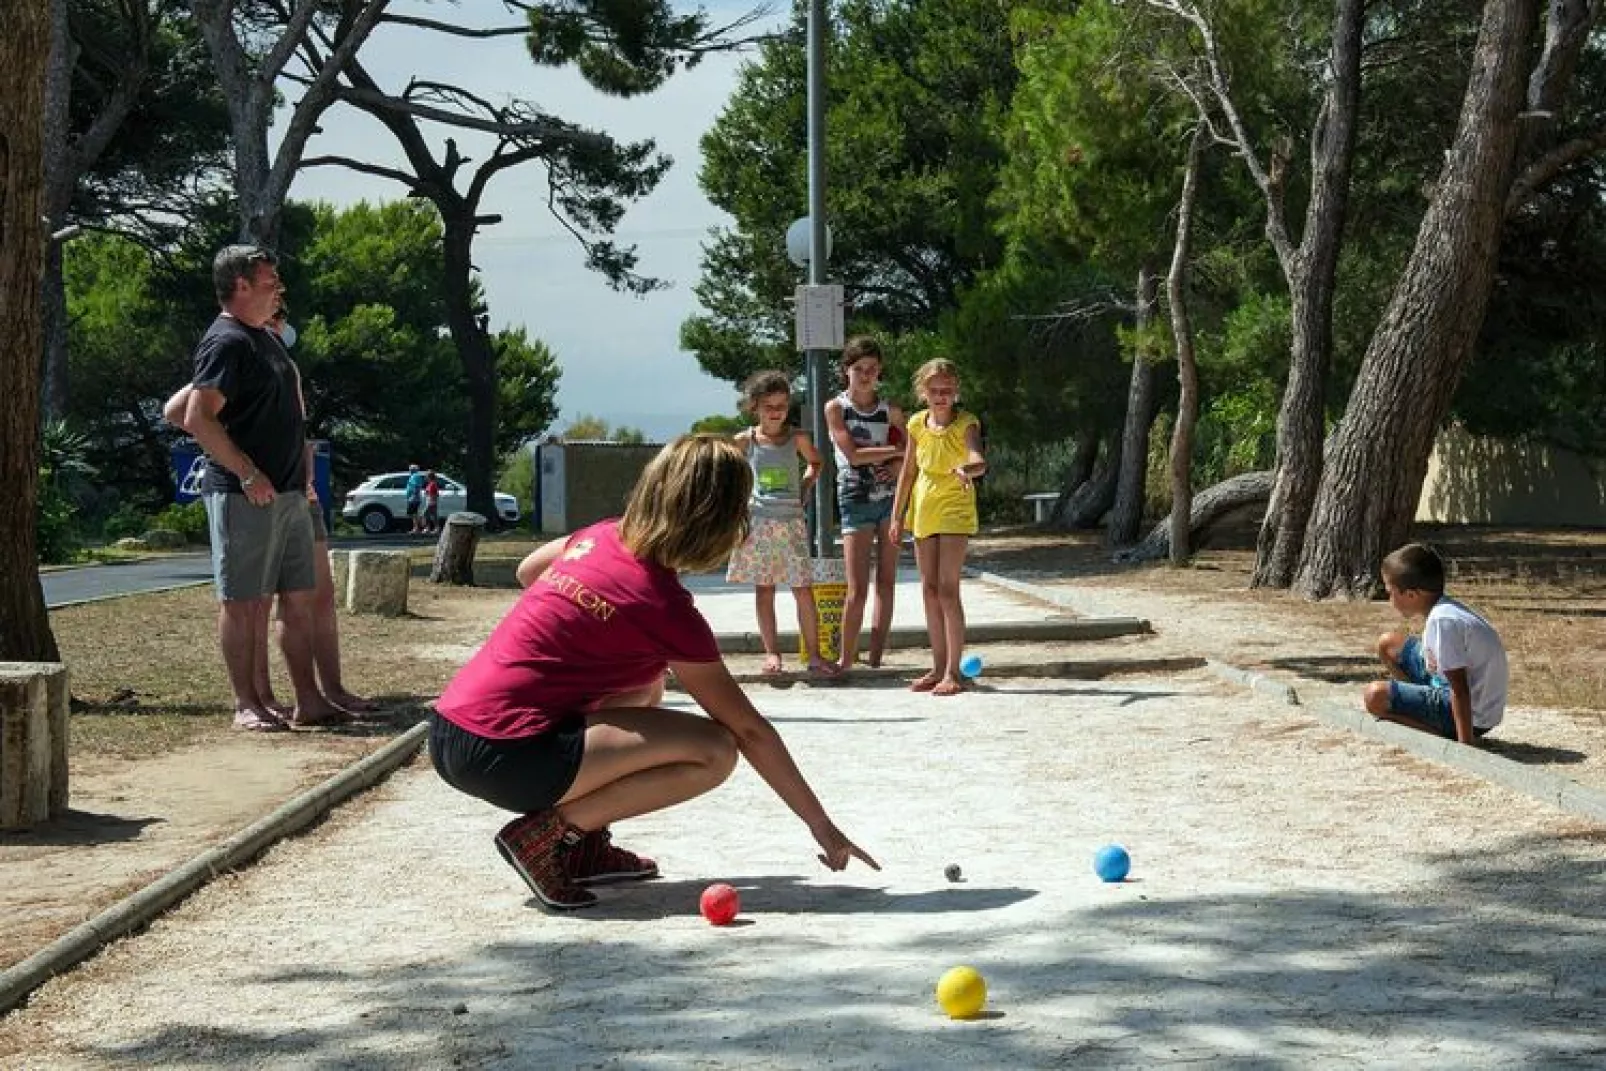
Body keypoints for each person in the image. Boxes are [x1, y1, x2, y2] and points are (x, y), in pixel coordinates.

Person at [430, 434, 878, 911]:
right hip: (507, 754)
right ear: (719, 520)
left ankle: (581, 850)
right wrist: (821, 826)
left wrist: (591, 631)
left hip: (451, 733)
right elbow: (747, 729)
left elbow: (527, 571)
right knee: (714, 750)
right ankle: (545, 836)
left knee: (644, 684)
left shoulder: (599, 535)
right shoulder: (663, 607)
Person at [165, 304, 375, 724]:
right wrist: (241, 465)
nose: (282, 320)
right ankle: (256, 698)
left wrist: (303, 470)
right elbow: (181, 412)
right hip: (248, 492)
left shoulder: (278, 358)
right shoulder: (233, 348)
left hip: (294, 489)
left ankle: (317, 694)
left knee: (306, 595)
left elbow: (295, 428)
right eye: (276, 310)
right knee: (251, 602)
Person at [727, 370, 839, 676]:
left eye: (781, 406)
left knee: (803, 589)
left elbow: (817, 462)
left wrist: (805, 486)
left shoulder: (797, 438)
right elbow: (728, 473)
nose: (776, 412)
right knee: (764, 590)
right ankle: (772, 654)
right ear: (755, 407)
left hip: (791, 523)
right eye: (769, 406)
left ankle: (814, 655)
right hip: (759, 524)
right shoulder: (744, 440)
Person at [889, 358, 987, 697]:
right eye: (934, 390)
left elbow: (978, 458)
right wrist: (896, 514)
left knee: (948, 588)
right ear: (923, 392)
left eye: (946, 390)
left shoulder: (966, 423)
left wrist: (967, 469)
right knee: (928, 588)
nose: (940, 396)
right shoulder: (917, 423)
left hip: (955, 506)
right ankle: (937, 664)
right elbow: (907, 471)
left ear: (956, 392)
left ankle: (953, 671)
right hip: (924, 506)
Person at [1363, 543, 1509, 745]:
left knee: (1375, 696)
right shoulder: (1444, 609)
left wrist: (1465, 747)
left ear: (1412, 595)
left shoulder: (1443, 621)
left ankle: (1435, 731)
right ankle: (1420, 706)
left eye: (1391, 592)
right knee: (1388, 643)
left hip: (1472, 715)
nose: (1390, 600)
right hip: (1447, 687)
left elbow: (1459, 687)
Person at [824, 337, 906, 673]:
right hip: (855, 499)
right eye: (859, 368)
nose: (866, 374)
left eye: (872, 368)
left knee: (886, 581)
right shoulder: (836, 408)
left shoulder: (891, 411)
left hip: (889, 500)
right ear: (847, 370)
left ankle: (875, 656)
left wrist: (899, 463)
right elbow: (853, 455)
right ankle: (846, 658)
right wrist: (895, 453)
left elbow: (911, 452)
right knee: (857, 588)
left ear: (880, 371)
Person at [405, 464, 427, 534]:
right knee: (413, 513)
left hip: (414, 498)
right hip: (413, 497)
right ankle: (418, 527)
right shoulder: (413, 476)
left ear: (414, 470)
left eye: (410, 469)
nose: (409, 470)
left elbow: (416, 487)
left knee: (413, 514)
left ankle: (418, 527)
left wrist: (414, 496)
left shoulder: (415, 476)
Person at [422, 469, 441, 535]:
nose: (426, 477)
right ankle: (436, 528)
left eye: (426, 476)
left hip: (431, 502)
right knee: (433, 516)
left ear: (429, 477)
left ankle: (428, 528)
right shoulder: (430, 484)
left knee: (425, 514)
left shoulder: (433, 484)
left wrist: (432, 500)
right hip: (430, 501)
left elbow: (436, 494)